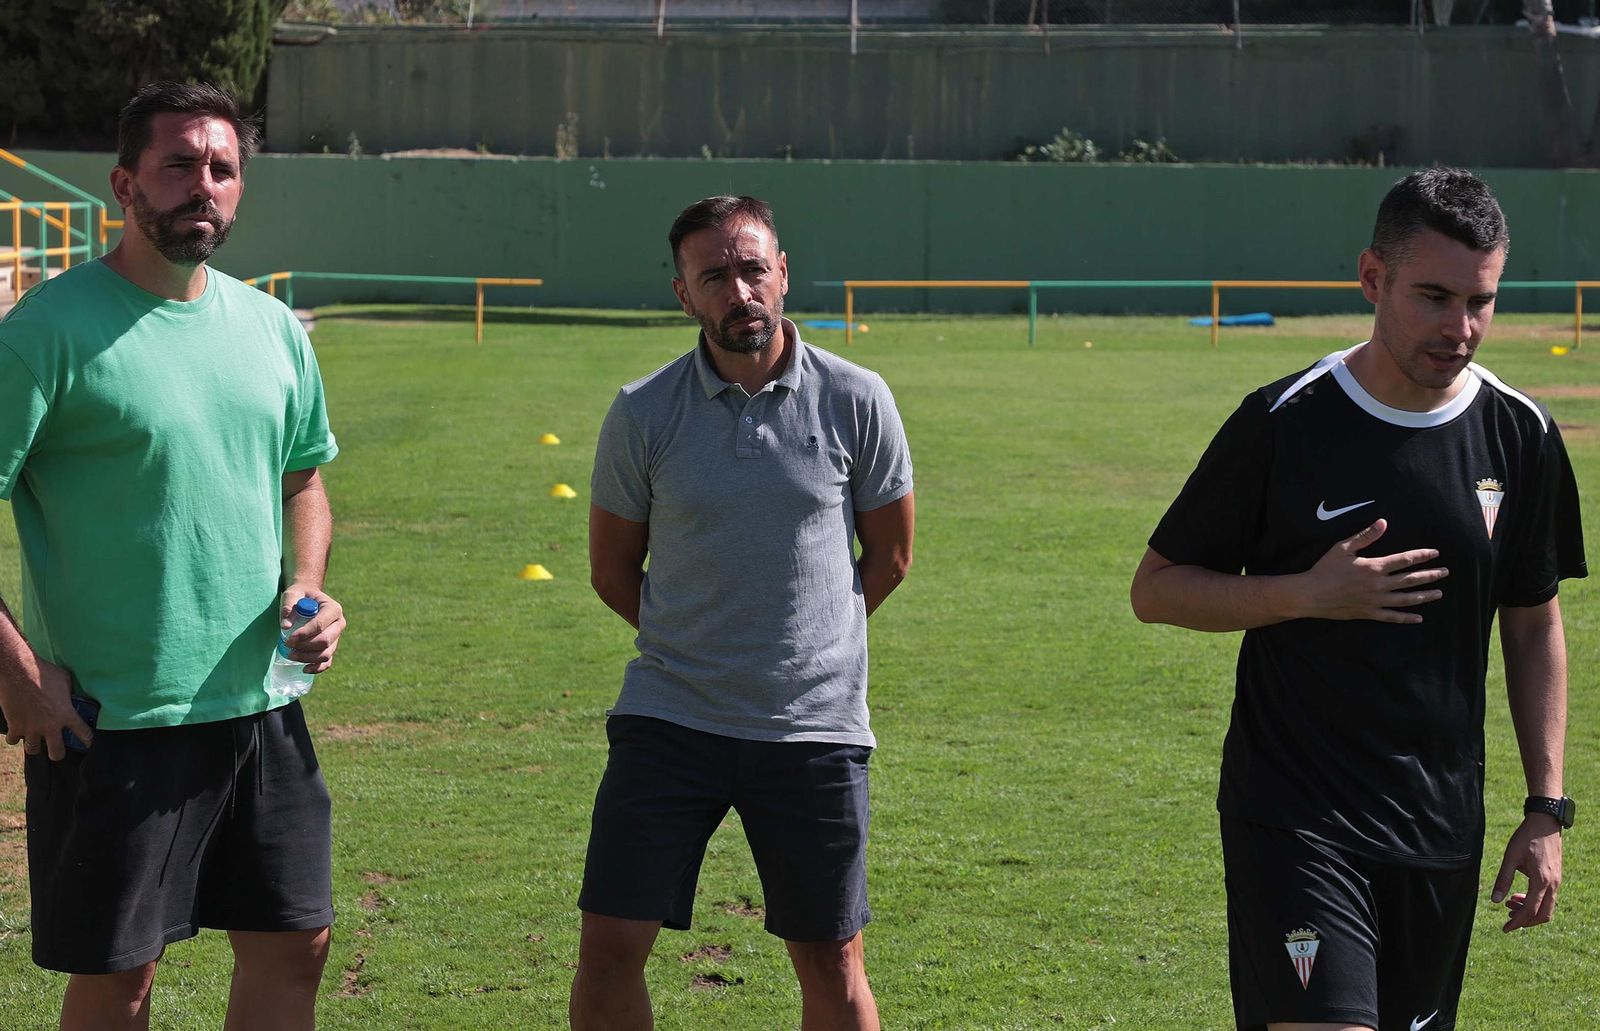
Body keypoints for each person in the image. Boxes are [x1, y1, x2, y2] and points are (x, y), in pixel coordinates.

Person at [1130, 167, 1584, 1031]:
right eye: (1435, 296)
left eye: (1482, 301)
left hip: (1439, 828)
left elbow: (1532, 623)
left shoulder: (1520, 434)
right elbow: (1155, 590)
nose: (1462, 328)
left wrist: (1545, 806)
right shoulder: (1285, 421)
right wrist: (1307, 593)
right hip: (1295, 817)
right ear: (1372, 278)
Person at [0, 82, 345, 1030]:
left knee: (295, 943)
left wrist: (307, 586)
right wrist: (19, 673)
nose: (205, 184)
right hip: (117, 716)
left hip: (261, 703)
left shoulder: (271, 328)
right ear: (123, 183)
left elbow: (302, 480)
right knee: (123, 976)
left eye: (223, 168)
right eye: (179, 164)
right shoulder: (46, 333)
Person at [571, 195, 915, 1031]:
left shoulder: (857, 398)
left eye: (754, 269)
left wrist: (807, 644)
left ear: (783, 272)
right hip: (671, 718)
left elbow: (892, 556)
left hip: (815, 728)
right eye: (715, 275)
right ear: (684, 294)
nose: (741, 290)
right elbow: (614, 571)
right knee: (611, 944)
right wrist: (698, 641)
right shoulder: (644, 411)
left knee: (832, 958)